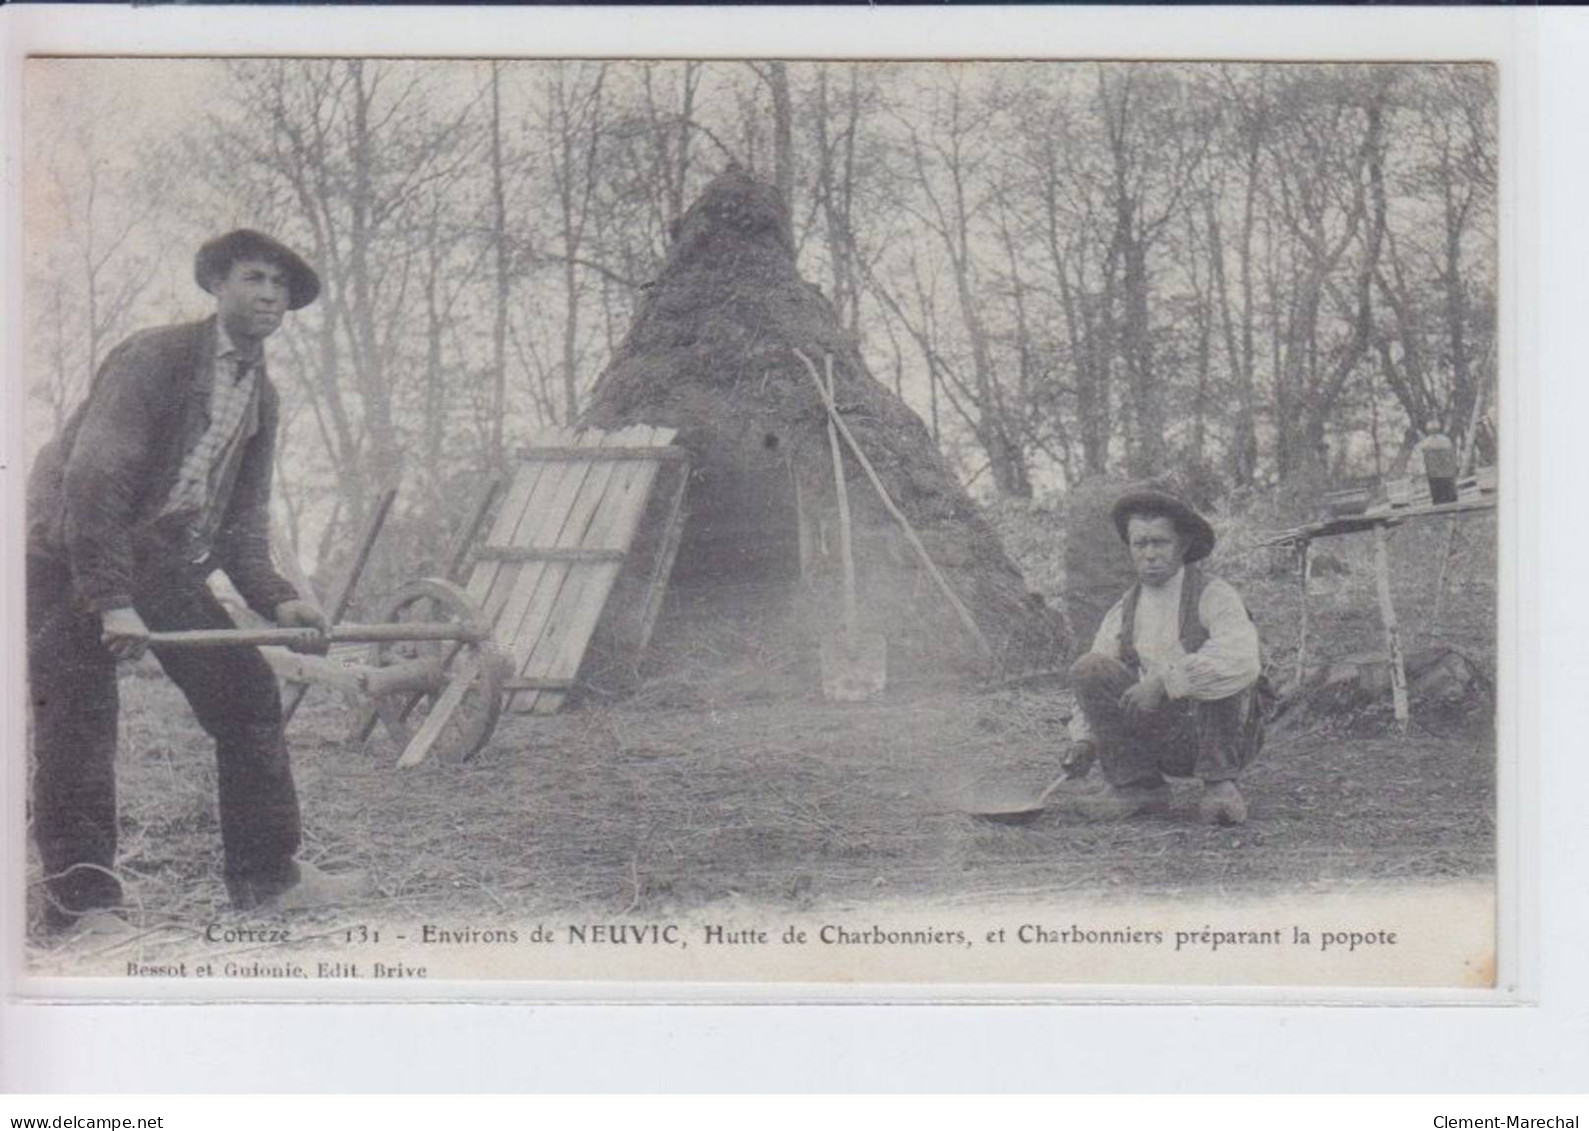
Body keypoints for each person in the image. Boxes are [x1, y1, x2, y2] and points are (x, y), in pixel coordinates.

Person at [26, 229, 363, 930]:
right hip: (64, 552)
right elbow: (95, 479)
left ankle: (267, 877)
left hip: (157, 558)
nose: (268, 294)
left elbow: (242, 523)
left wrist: (281, 600)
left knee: (244, 692)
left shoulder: (260, 395)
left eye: (280, 285)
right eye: (252, 277)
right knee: (83, 719)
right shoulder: (156, 357)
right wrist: (112, 600)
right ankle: (79, 907)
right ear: (216, 284)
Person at [1064, 489, 1266, 826]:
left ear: (1183, 545)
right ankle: (1140, 787)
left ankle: (1220, 785)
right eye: (1140, 545)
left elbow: (1240, 660)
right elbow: (1094, 675)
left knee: (1222, 669)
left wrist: (1163, 681)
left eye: (1160, 543)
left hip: (1220, 734)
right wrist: (1084, 739)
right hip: (1159, 734)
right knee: (1089, 668)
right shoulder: (1125, 609)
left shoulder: (1214, 595)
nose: (1150, 555)